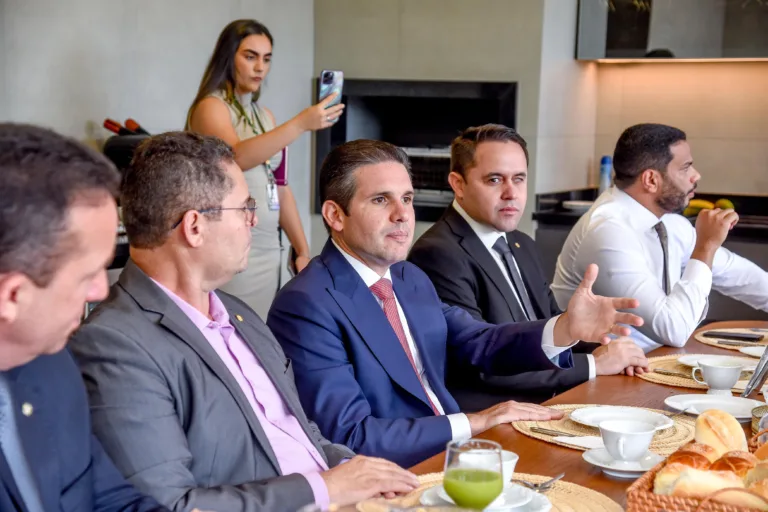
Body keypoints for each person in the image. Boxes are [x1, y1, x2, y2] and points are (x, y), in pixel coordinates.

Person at [69, 132, 418, 512]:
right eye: (245, 207)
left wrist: (360, 472)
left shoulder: (240, 313)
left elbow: (300, 433)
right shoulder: (115, 343)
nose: (255, 221)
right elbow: (169, 505)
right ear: (195, 227)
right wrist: (323, 489)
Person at [266, 139, 644, 467]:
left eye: (408, 199)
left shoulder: (407, 277)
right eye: (381, 200)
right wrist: (476, 422)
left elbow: (478, 342)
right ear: (335, 215)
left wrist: (564, 328)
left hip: (463, 451)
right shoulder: (305, 305)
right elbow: (353, 436)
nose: (403, 215)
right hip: (401, 474)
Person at [408, 124, 648, 410]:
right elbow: (480, 365)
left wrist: (606, 346)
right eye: (495, 180)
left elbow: (550, 327)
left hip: (552, 401)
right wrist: (593, 365)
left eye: (519, 179)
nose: (512, 193)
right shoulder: (438, 253)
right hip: (494, 422)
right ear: (458, 184)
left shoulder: (521, 243)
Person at [0, 123, 167, 511]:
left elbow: (109, 498)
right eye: (86, 275)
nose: (101, 291)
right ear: (12, 295)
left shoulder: (52, 364)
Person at [552, 123, 768, 352]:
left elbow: (739, 275)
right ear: (651, 180)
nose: (696, 175)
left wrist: (708, 249)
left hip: (652, 363)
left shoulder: (668, 222)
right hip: (600, 377)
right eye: (685, 168)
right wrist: (706, 247)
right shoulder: (608, 232)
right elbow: (673, 330)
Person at [187, 19, 344, 319]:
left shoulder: (265, 116)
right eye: (250, 56)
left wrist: (302, 249)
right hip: (231, 246)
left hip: (271, 249)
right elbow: (234, 157)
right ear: (228, 57)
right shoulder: (212, 107)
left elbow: (281, 187)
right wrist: (300, 124)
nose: (260, 67)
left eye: (267, 59)